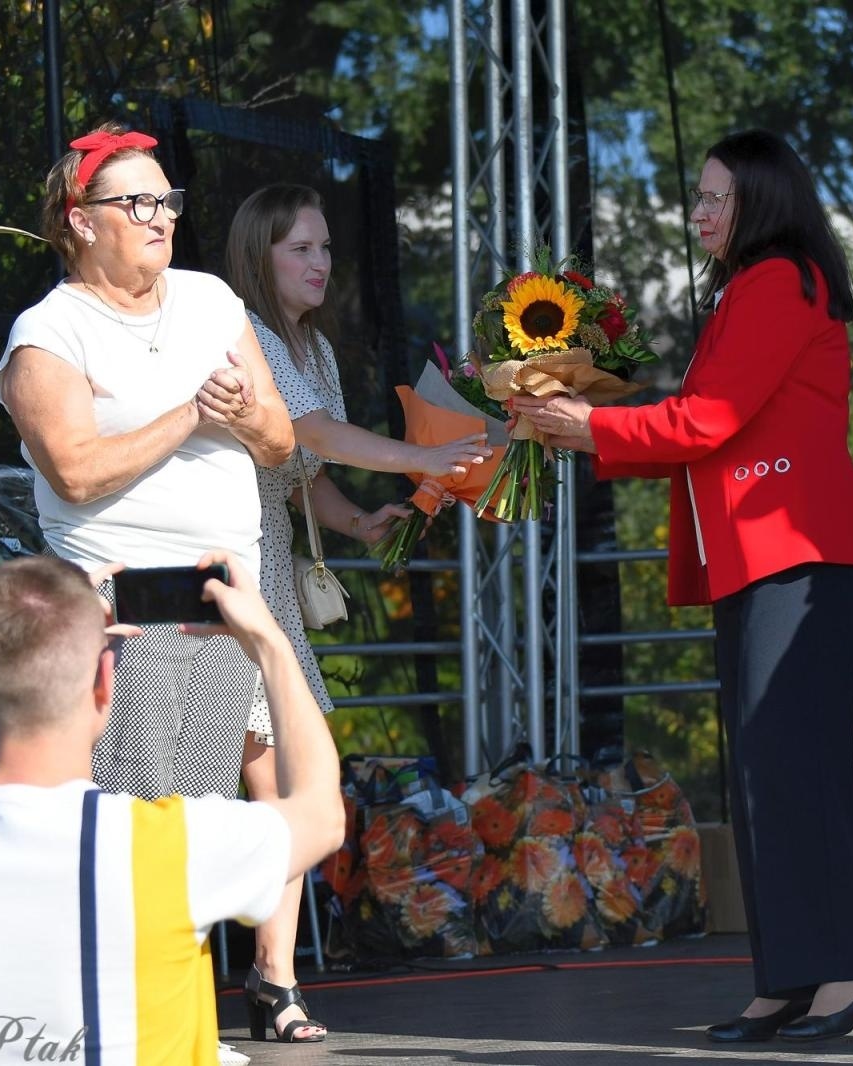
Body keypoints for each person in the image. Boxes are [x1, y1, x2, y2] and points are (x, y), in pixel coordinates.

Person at [513, 129, 853, 1043]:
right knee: (766, 775)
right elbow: (706, 430)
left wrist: (591, 427)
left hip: (794, 555)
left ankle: (847, 969)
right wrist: (585, 428)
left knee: (792, 772)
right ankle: (794, 975)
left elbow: (705, 420)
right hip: (768, 557)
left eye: (716, 197)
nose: (700, 213)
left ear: (761, 199)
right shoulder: (757, 286)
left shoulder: (778, 281)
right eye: (701, 197)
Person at [0, 553, 345, 1064]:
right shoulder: (168, 845)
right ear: (104, 683)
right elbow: (322, 816)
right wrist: (271, 644)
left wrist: (11, 681)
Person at [223, 183, 491, 1041]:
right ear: (260, 255)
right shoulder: (244, 332)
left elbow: (308, 477)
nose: (321, 263)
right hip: (221, 566)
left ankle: (273, 976)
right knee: (266, 781)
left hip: (267, 567)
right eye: (300, 248)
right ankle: (248, 978)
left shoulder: (316, 350)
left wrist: (359, 520)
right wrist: (424, 456)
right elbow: (313, 435)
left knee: (288, 780)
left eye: (327, 248)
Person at [0, 123, 294, 803]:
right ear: (82, 222)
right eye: (139, 204)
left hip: (222, 592)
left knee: (202, 810)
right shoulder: (49, 331)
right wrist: (192, 414)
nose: (163, 218)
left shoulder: (211, 300)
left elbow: (281, 444)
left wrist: (243, 413)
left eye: (168, 201)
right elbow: (74, 473)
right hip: (125, 603)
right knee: (132, 811)